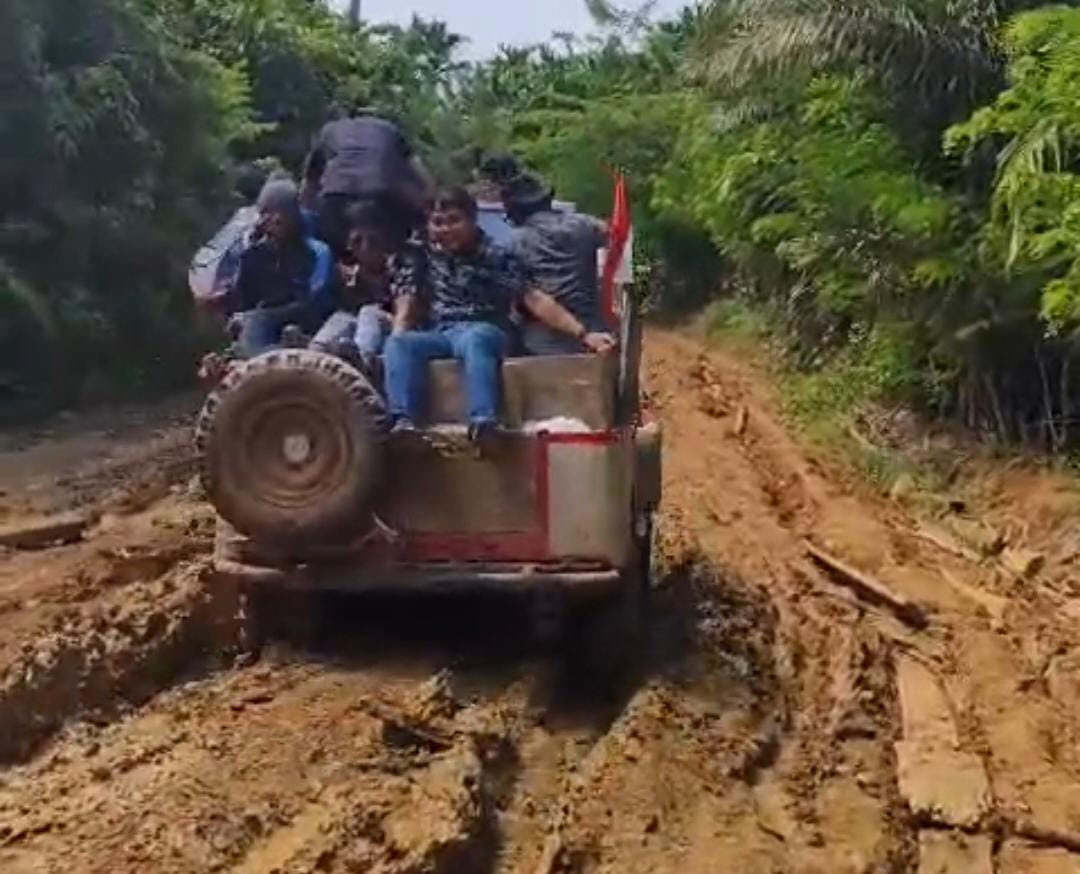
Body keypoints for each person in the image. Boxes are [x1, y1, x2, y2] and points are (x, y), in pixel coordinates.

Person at [383, 187, 616, 439]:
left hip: (487, 328)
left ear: (472, 220)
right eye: (438, 223)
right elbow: (407, 299)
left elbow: (533, 298)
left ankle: (484, 422)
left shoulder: (495, 255)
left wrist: (583, 333)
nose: (446, 229)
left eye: (454, 220)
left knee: (476, 339)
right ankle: (403, 421)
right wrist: (398, 332)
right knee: (400, 344)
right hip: (442, 332)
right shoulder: (424, 256)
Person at [500, 173, 611, 356]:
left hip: (541, 342)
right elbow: (614, 237)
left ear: (513, 211)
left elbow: (528, 298)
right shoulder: (585, 224)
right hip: (596, 331)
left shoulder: (514, 243)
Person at [229, 179, 334, 358]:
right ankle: (275, 353)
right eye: (267, 214)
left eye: (280, 213)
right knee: (250, 322)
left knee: (256, 320)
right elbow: (244, 299)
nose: (274, 220)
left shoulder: (315, 251)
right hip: (264, 322)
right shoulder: (252, 256)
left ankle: (281, 350)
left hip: (305, 315)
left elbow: (317, 297)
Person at [304, 109, 432, 255]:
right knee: (397, 243)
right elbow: (418, 171)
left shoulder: (330, 129)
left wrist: (305, 219)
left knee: (333, 248)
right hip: (383, 188)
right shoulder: (390, 129)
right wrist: (429, 210)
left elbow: (309, 181)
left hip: (336, 192)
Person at [310, 202, 398, 368]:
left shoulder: (398, 266)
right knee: (341, 318)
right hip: (358, 327)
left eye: (361, 241)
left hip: (392, 325)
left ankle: (362, 359)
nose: (355, 248)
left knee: (369, 312)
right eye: (353, 242)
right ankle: (314, 352)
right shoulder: (350, 271)